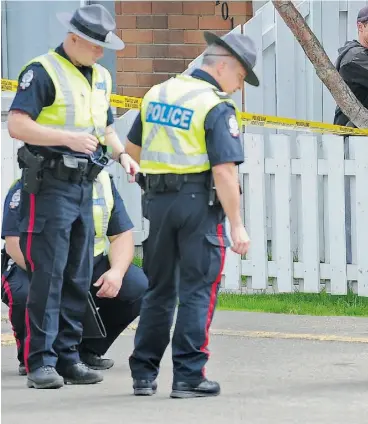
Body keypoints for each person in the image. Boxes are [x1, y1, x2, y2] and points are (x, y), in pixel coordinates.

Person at [5, 4, 139, 389]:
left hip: (86, 185)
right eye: (96, 46)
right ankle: (40, 363)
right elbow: (17, 124)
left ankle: (68, 356)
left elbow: (106, 129)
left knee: (77, 276)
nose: (101, 53)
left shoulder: (100, 77)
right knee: (49, 275)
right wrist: (66, 138)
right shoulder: (42, 71)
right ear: (74, 38)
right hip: (49, 186)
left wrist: (123, 156)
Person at [124, 30, 255, 399]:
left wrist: (156, 188)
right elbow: (224, 171)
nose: (238, 88)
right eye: (241, 78)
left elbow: (132, 152)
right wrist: (237, 225)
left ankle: (143, 373)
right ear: (224, 65)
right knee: (198, 290)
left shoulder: (157, 94)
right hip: (198, 205)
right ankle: (188, 375)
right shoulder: (214, 105)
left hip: (159, 204)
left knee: (159, 290)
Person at [1, 171, 149, 377]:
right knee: (25, 294)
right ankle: (33, 356)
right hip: (34, 264)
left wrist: (116, 271)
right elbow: (14, 243)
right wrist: (51, 275)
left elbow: (121, 235)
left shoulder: (103, 181)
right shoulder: (31, 179)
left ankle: (83, 351)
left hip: (86, 262)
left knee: (135, 285)